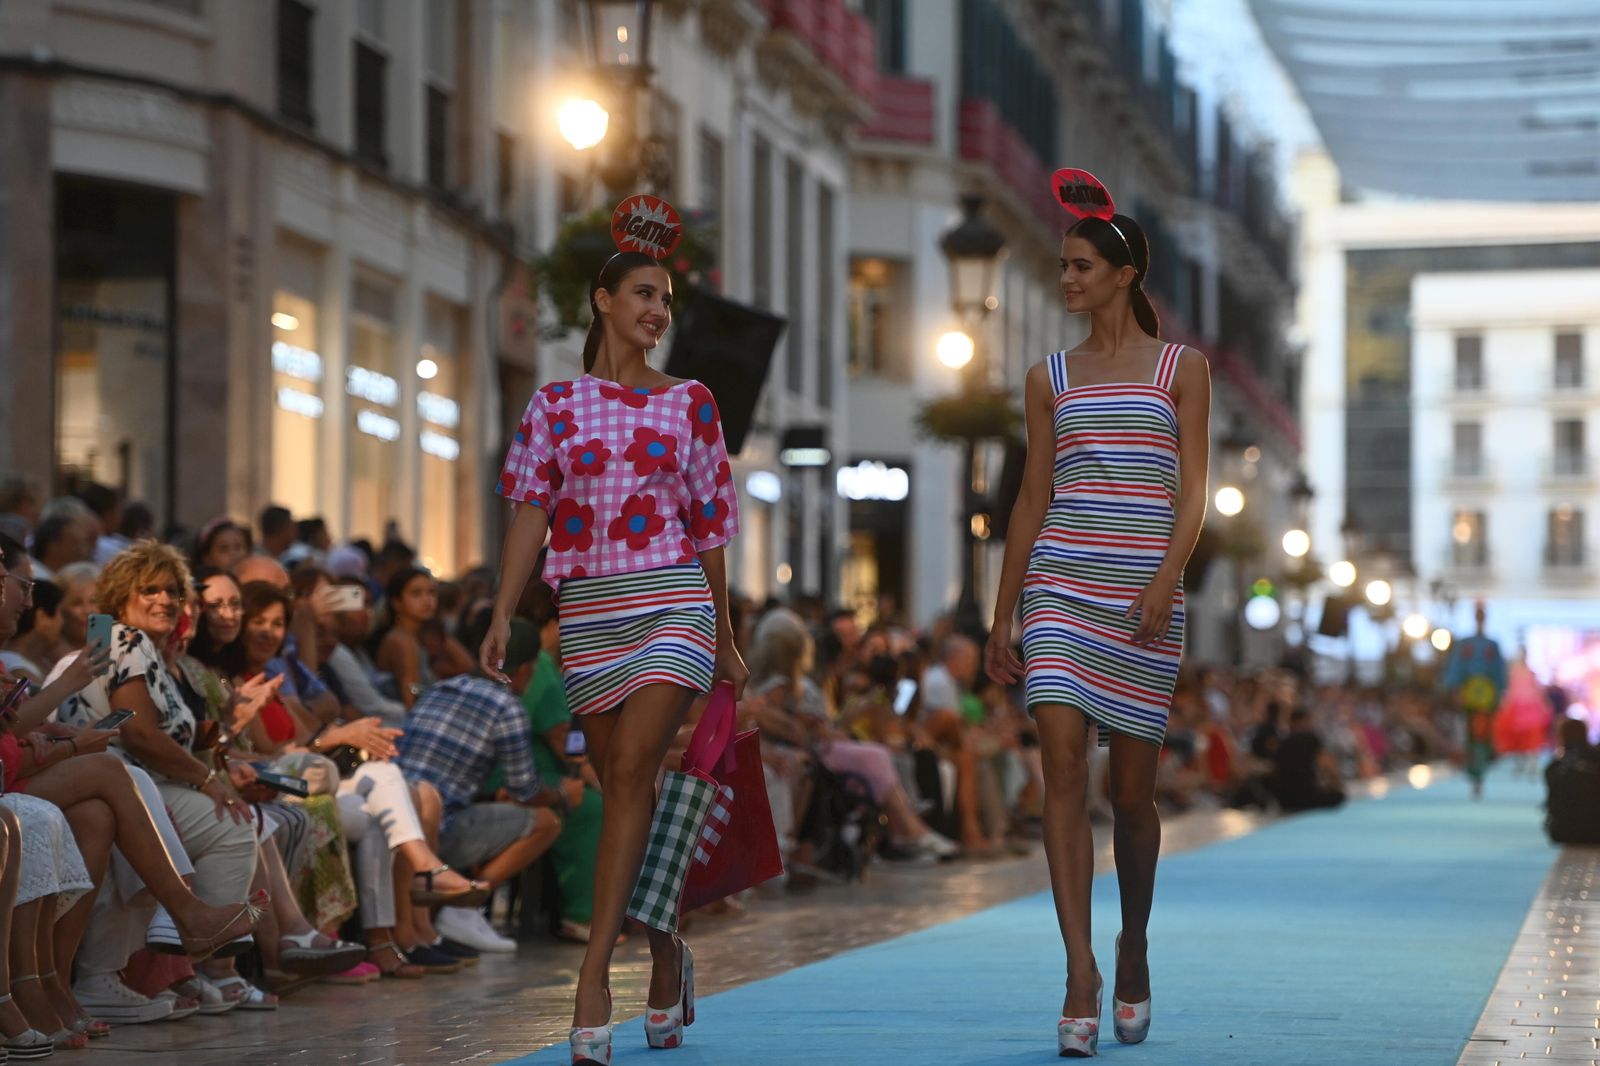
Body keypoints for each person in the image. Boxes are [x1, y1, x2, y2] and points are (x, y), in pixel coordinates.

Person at [479, 245, 746, 1065]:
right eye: (642, 294)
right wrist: (500, 615)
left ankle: (594, 975)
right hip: (588, 614)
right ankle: (666, 946)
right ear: (601, 300)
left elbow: (709, 526)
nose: (657, 310)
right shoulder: (554, 405)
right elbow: (529, 513)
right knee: (630, 786)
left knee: (631, 774)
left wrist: (726, 634)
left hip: (672, 602)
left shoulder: (692, 403)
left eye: (664, 297)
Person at [984, 186, 1209, 1057]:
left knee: (1134, 800)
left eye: (1081, 267)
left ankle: (1133, 944)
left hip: (1143, 600)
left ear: (1123, 275)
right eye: (1064, 267)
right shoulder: (1049, 376)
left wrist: (1167, 576)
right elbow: (1032, 498)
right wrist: (1003, 612)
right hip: (1060, 593)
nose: (1067, 279)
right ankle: (1080, 969)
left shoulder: (1180, 368)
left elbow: (1192, 493)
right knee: (1063, 770)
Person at [396, 617, 578, 952]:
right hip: (437, 828)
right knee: (547, 822)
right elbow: (526, 790)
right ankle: (464, 904)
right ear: (525, 669)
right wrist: (564, 793)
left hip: (397, 822)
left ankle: (455, 903)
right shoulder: (507, 707)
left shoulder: (440, 688)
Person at [1441, 602, 1507, 798]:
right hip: (1470, 694)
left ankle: (1481, 771)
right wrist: (1457, 691)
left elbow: (1499, 673)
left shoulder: (1492, 644)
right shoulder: (1465, 643)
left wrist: (1499, 694)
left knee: (1484, 734)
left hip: (1486, 695)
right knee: (1471, 734)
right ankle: (1473, 771)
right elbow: (1457, 668)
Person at [1269, 708, 1346, 812]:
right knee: (1338, 796)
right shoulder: (1311, 738)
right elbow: (1327, 764)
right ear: (1305, 720)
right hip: (1307, 796)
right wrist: (1335, 784)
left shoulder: (1282, 742)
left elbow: (1275, 770)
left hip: (1285, 800)